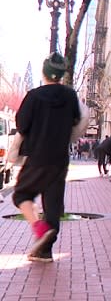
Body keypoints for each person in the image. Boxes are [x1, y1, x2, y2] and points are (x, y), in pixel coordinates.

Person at [12, 52, 88, 262]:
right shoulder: (70, 96)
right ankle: (45, 251)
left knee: (21, 195)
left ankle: (38, 228)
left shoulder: (34, 96)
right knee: (53, 205)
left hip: (37, 157)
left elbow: (22, 124)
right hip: (59, 159)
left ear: (44, 72)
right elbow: (76, 120)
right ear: (62, 74)